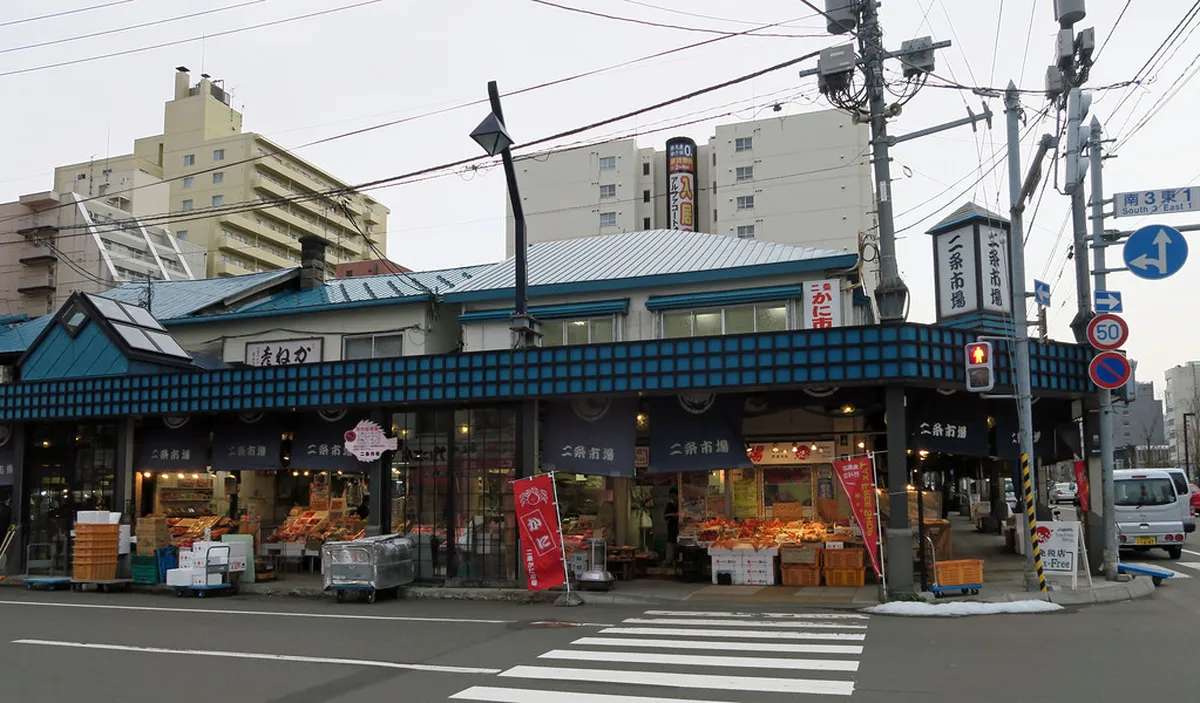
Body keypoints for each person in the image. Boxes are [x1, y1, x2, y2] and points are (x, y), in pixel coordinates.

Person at [664, 487, 679, 565]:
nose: (672, 497)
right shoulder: (669, 505)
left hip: (679, 526)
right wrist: (672, 515)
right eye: (671, 496)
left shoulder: (680, 504)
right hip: (671, 526)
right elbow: (665, 516)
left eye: (674, 495)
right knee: (670, 542)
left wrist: (678, 515)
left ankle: (678, 559)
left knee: (679, 543)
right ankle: (669, 560)